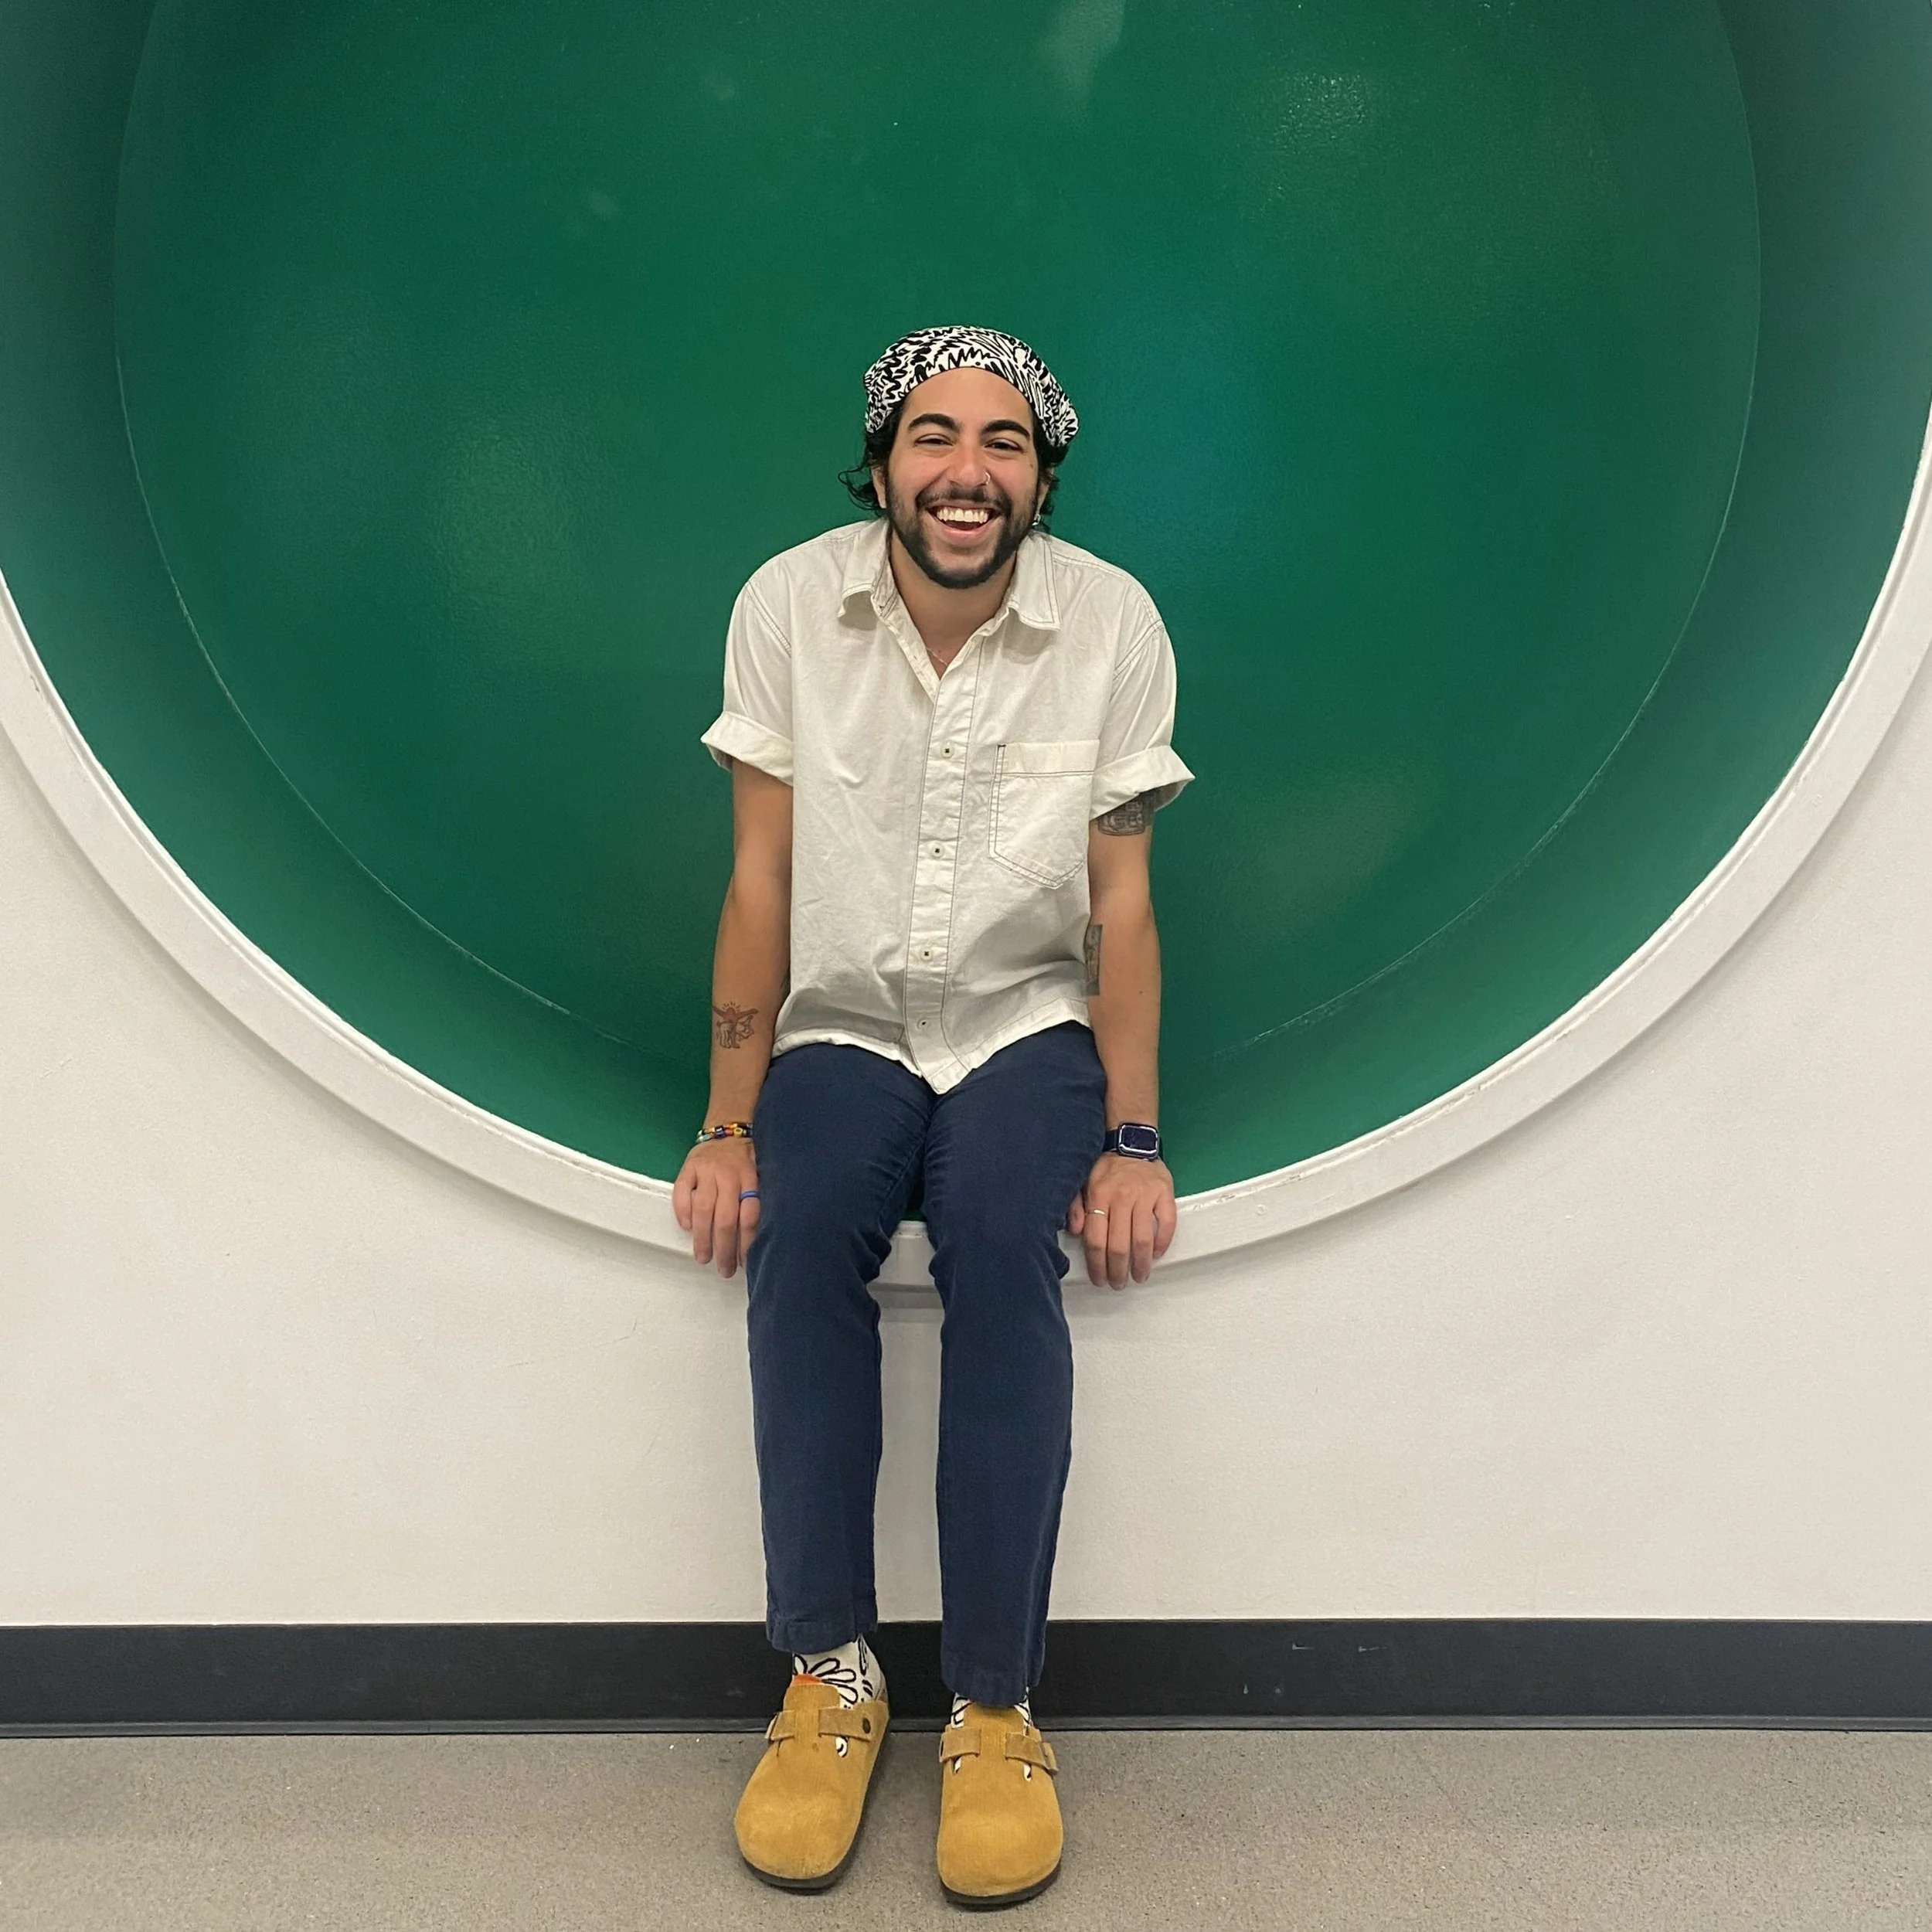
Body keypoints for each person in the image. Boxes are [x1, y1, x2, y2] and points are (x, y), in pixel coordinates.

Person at [675, 325, 1192, 1907]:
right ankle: (829, 1673)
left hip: (1024, 1023)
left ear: (1039, 473)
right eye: (933, 438)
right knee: (803, 1230)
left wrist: (1128, 1136)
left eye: (1003, 444)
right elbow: (760, 873)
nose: (966, 472)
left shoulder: (1110, 621)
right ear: (884, 460)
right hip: (840, 1023)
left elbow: (1119, 899)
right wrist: (730, 1119)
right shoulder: (785, 603)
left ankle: (990, 1703)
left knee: (991, 1240)